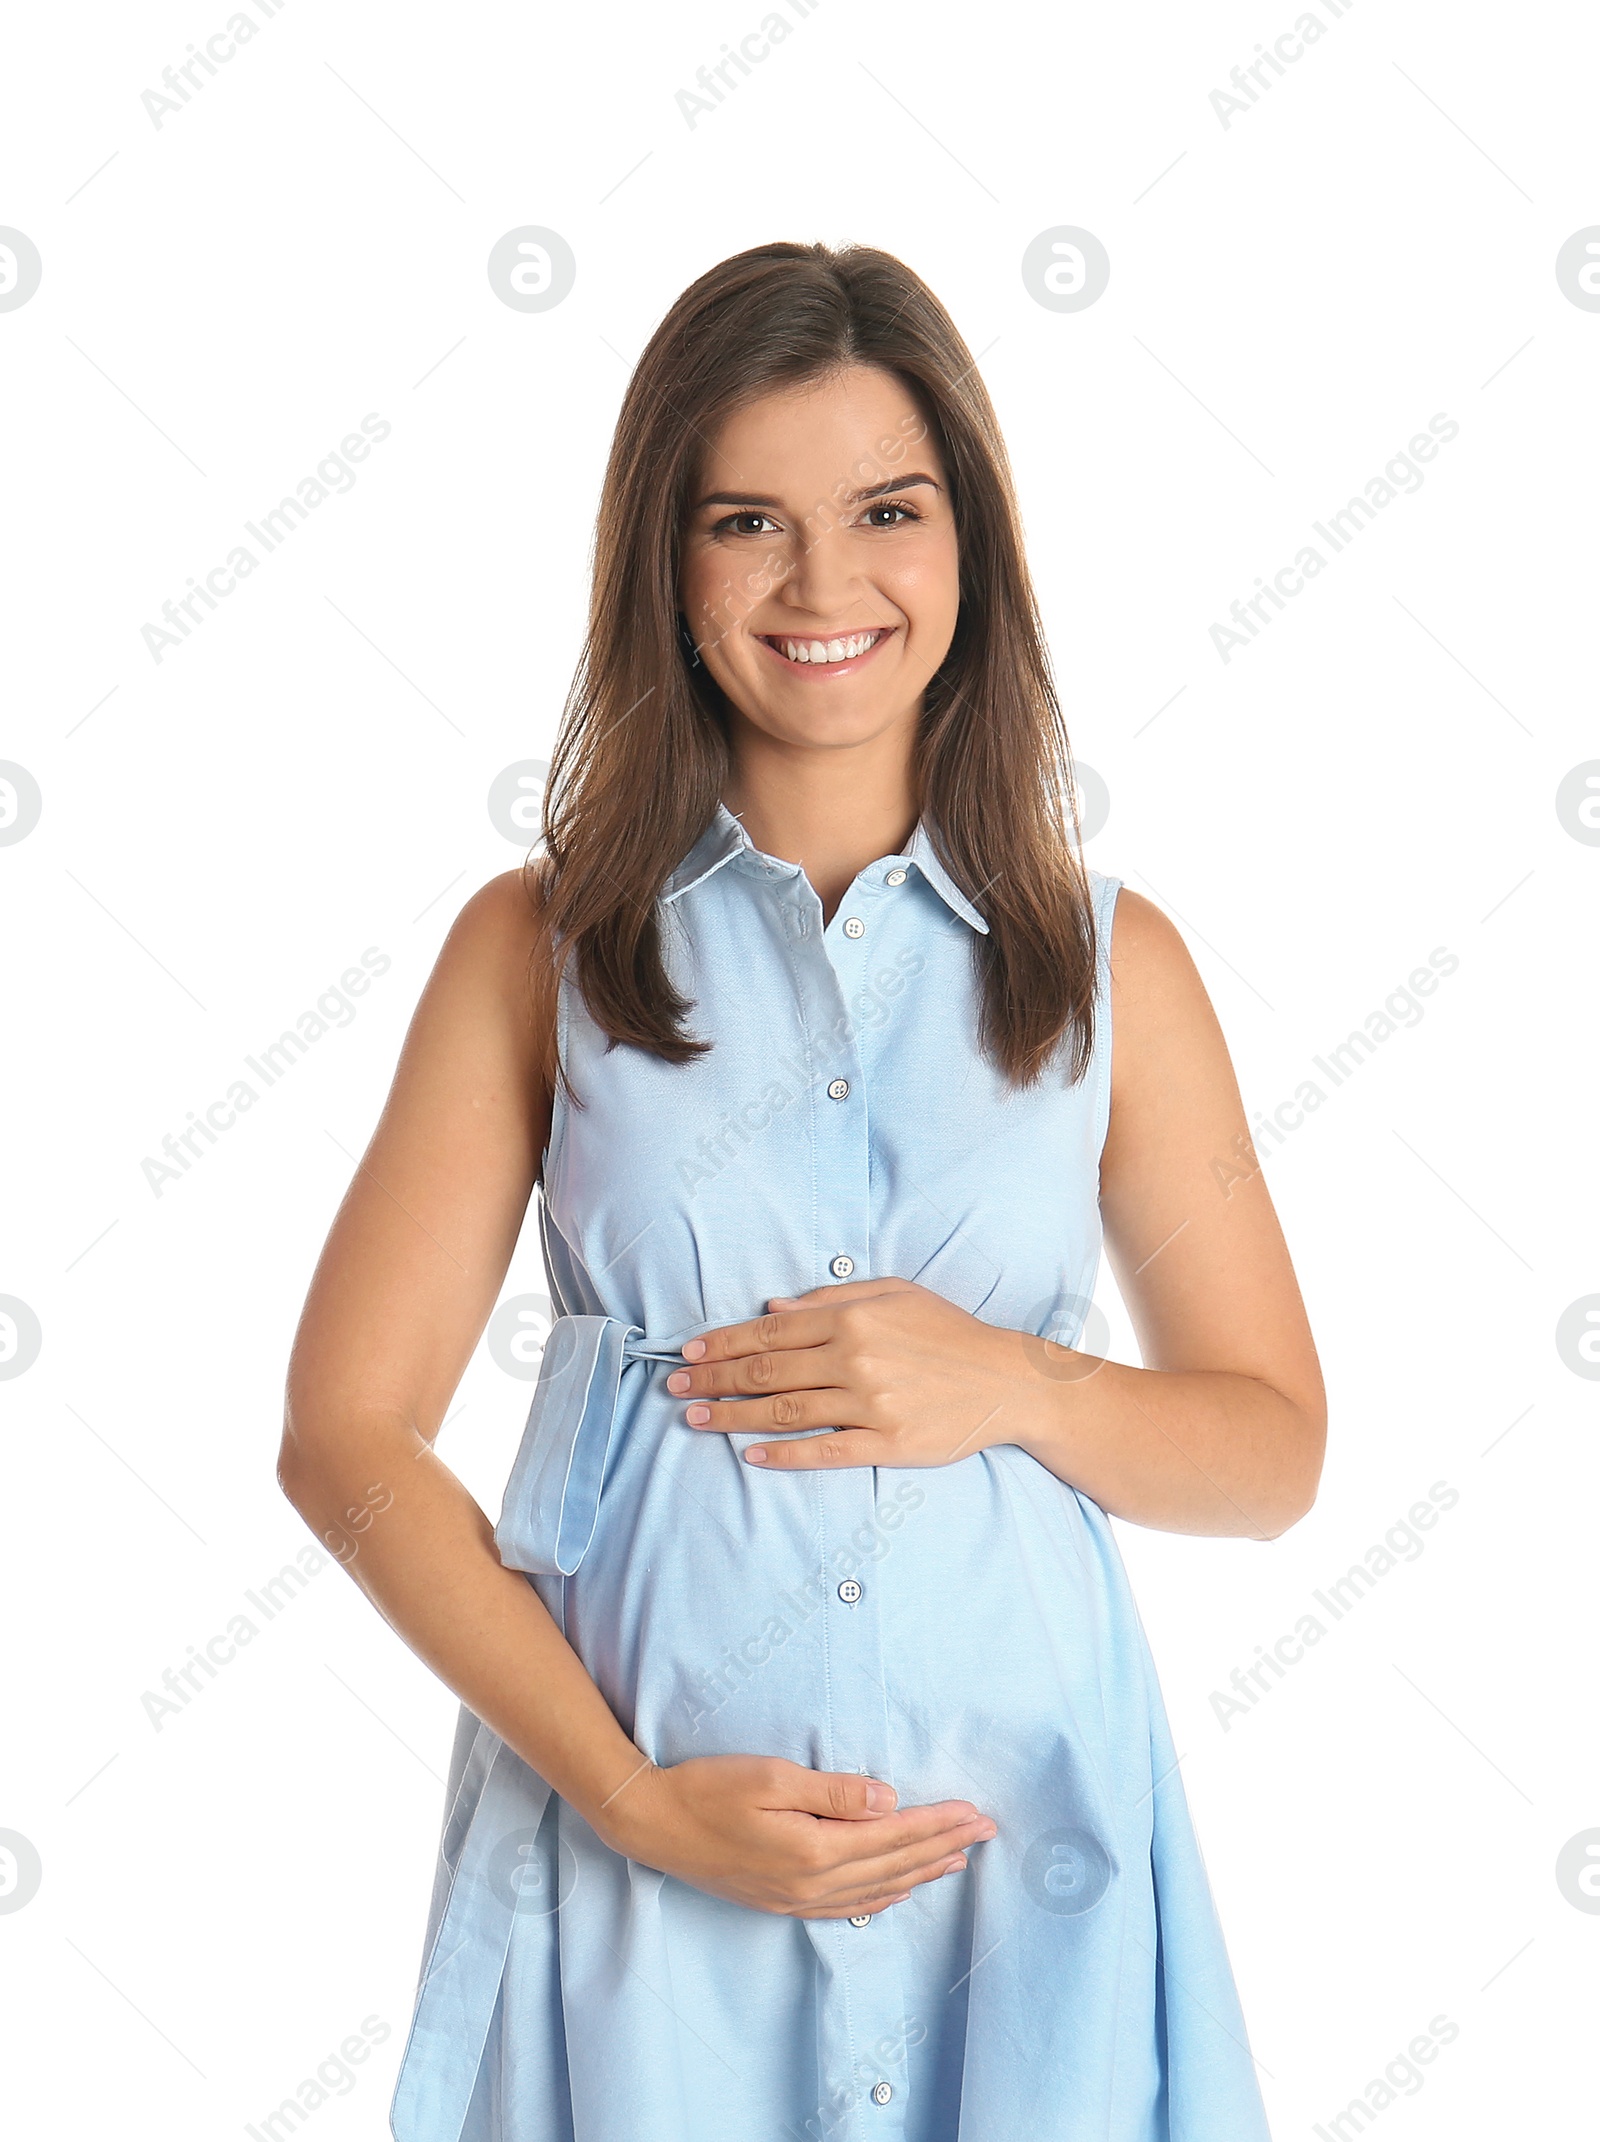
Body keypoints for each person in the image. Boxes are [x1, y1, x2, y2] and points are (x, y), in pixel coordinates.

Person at [278, 240, 1325, 2142]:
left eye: (886, 512)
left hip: (1021, 1856)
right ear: (663, 570)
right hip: (651, 1850)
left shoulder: (1109, 967)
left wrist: (1017, 1384)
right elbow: (344, 1433)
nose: (823, 584)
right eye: (746, 520)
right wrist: (625, 1795)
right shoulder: (542, 951)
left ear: (972, 549)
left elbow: (1272, 1450)